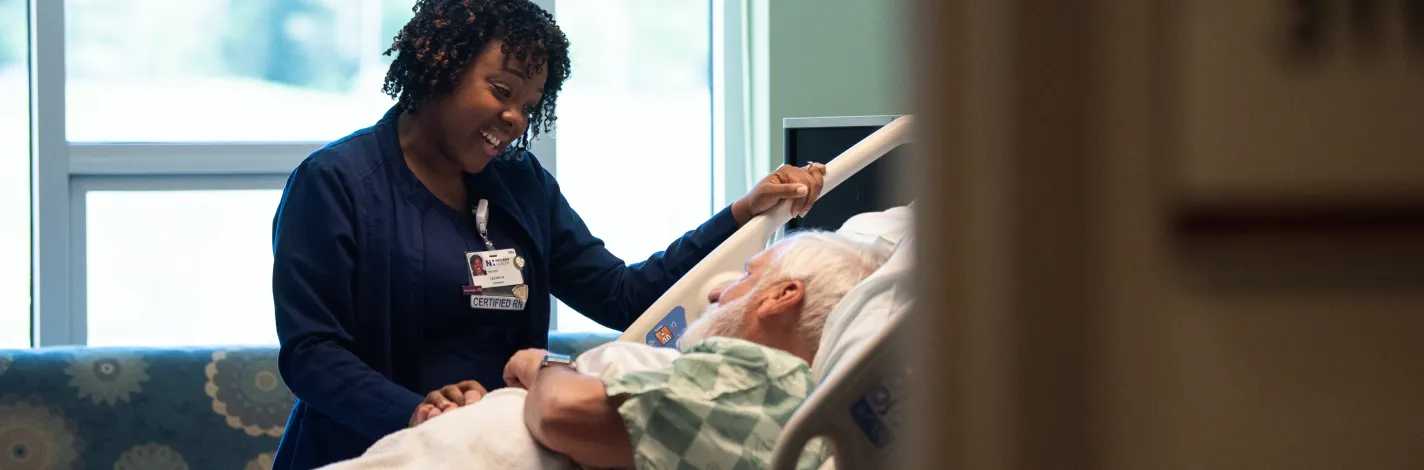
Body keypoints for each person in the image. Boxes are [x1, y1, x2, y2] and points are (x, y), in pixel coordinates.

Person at [269, 0, 827, 468]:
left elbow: (622, 295)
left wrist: (741, 212)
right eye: (500, 89)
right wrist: (416, 411)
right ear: (441, 65)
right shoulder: (337, 184)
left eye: (529, 105)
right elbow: (313, 355)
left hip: (486, 453)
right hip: (367, 451)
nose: (514, 118)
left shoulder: (519, 183)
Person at [311, 231, 889, 470]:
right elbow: (313, 349)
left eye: (744, 276)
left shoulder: (759, 384)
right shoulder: (757, 390)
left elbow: (563, 411)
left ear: (783, 298)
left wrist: (546, 369)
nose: (716, 289)